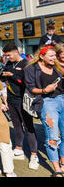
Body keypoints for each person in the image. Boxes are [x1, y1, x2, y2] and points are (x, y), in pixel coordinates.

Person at [25, 45, 64, 177]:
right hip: (47, 102)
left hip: (62, 99)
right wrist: (44, 90)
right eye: (51, 56)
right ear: (41, 56)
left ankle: (63, 162)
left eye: (55, 56)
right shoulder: (32, 69)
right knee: (52, 137)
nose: (55, 58)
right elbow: (31, 88)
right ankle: (57, 169)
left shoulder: (57, 67)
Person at [1, 43, 39, 169]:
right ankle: (19, 149)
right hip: (11, 99)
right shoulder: (8, 64)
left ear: (16, 52)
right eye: (5, 56)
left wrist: (13, 75)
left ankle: (34, 155)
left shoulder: (26, 64)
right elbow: (4, 78)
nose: (7, 58)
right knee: (16, 125)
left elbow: (28, 81)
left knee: (28, 126)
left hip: (24, 99)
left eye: (9, 55)